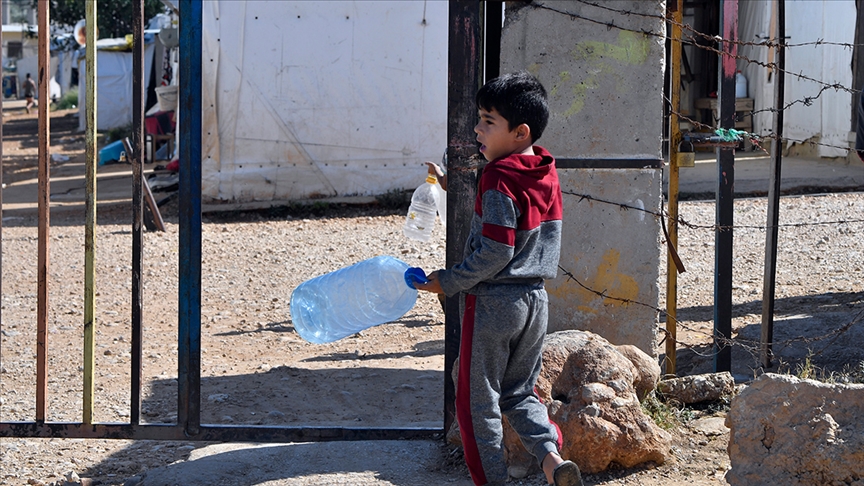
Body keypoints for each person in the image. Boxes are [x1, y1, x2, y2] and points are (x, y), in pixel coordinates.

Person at [414, 72, 581, 486]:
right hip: (535, 301)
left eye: (489, 121)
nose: (476, 128)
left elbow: (497, 250)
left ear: (519, 131)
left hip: (493, 303)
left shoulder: (497, 176)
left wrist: (448, 280)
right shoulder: (544, 169)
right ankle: (551, 461)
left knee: (477, 404)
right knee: (520, 393)